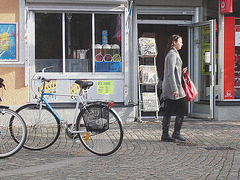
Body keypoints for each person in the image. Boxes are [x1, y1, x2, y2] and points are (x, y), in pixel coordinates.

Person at [161, 34, 187, 142]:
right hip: (173, 87)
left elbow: (174, 71)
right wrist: (174, 89)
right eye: (180, 41)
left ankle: (167, 134)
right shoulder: (172, 55)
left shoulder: (173, 53)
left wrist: (182, 71)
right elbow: (170, 73)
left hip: (174, 86)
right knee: (182, 107)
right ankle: (174, 133)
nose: (182, 44)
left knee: (170, 110)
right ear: (174, 42)